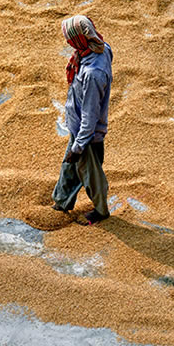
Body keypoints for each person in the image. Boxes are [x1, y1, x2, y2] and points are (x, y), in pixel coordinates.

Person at [51, 15, 113, 225]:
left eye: (70, 40)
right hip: (78, 128)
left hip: (87, 135)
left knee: (91, 175)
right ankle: (60, 202)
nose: (68, 44)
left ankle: (101, 211)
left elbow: (90, 115)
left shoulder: (93, 74)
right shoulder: (102, 48)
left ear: (79, 40)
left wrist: (78, 147)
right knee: (69, 168)